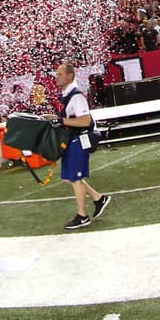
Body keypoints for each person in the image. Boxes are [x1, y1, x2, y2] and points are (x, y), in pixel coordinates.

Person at [56, 61, 111, 231]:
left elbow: (85, 120)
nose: (57, 77)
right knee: (68, 178)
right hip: (72, 141)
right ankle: (98, 198)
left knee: (76, 179)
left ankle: (82, 216)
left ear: (69, 76)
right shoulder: (67, 95)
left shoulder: (77, 96)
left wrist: (61, 120)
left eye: (60, 74)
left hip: (79, 140)